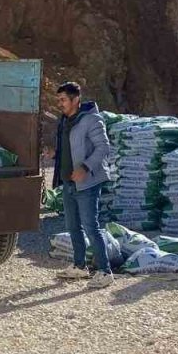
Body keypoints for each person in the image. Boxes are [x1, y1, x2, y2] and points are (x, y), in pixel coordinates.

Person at [52, 82, 115, 288]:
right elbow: (68, 148)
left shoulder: (92, 120)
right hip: (69, 182)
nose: (59, 104)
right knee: (72, 226)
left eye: (63, 100)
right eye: (58, 100)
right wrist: (55, 154)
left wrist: (85, 167)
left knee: (91, 227)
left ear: (75, 99)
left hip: (87, 182)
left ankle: (105, 272)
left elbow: (103, 147)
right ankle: (80, 267)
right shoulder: (65, 120)